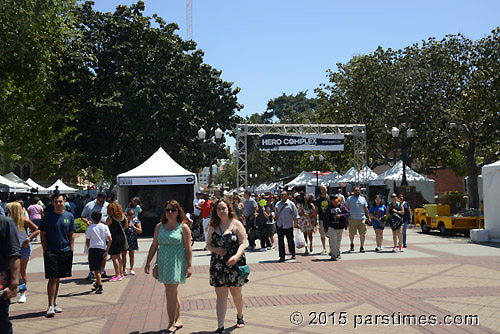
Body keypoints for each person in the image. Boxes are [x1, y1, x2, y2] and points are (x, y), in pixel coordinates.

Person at [145, 200, 192, 333]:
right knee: (172, 292)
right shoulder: (159, 226)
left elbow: (188, 248)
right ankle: (178, 319)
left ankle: (171, 323)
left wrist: (189, 266)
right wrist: (148, 261)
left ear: (178, 212)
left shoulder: (183, 227)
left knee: (170, 293)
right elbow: (154, 244)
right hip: (163, 261)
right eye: (167, 210)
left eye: (173, 210)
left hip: (177, 262)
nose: (170, 213)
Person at [206, 199, 247, 333]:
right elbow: (209, 245)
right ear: (215, 211)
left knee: (236, 294)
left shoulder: (236, 224)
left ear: (229, 209)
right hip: (218, 265)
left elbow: (243, 242)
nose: (221, 211)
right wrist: (216, 250)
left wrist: (236, 256)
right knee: (221, 296)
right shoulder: (213, 226)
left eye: (223, 208)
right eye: (219, 209)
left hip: (234, 264)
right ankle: (220, 326)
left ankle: (240, 315)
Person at [39, 194, 75, 317]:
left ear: (64, 202)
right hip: (51, 251)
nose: (58, 204)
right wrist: (45, 250)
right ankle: (49, 305)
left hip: (65, 251)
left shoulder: (69, 216)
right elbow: (42, 234)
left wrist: (71, 248)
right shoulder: (47, 217)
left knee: (58, 277)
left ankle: (54, 303)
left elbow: (71, 233)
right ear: (53, 202)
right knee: (52, 278)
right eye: (56, 202)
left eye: (60, 201)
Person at [6, 202, 39, 303]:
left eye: (9, 210)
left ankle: (22, 293)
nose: (7, 212)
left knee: (22, 271)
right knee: (10, 271)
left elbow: (37, 230)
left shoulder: (24, 220)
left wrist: (28, 240)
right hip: (11, 248)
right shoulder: (7, 220)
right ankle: (11, 291)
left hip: (23, 248)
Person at [81, 192, 109, 280]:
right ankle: (91, 270)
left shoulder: (107, 206)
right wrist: (86, 222)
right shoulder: (89, 205)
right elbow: (83, 216)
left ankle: (102, 269)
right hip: (92, 231)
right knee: (91, 252)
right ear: (97, 198)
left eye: (103, 202)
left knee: (103, 252)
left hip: (104, 231)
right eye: (100, 201)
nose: (102, 203)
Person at [0, 214, 21, 334]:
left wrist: (14, 284)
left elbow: (14, 254)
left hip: (2, 278)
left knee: (2, 320)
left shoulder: (5, 223)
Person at [85, 211, 112, 294]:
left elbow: (87, 240)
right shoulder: (104, 227)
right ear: (101, 217)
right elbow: (110, 239)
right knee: (100, 267)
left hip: (93, 249)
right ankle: (97, 282)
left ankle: (100, 285)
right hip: (102, 248)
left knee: (95, 269)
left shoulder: (90, 228)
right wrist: (107, 250)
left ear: (92, 218)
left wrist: (89, 247)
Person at [275, 191, 299, 262]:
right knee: (280, 241)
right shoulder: (277, 204)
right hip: (280, 225)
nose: (282, 196)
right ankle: (282, 256)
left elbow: (295, 214)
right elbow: (276, 213)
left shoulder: (291, 204)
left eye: (284, 195)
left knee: (290, 240)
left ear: (287, 196)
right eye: (281, 195)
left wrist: (297, 223)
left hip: (288, 225)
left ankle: (292, 253)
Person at [106, 201, 127, 281]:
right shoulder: (123, 216)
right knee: (119, 256)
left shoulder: (110, 218)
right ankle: (121, 273)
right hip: (122, 238)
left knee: (114, 257)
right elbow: (126, 226)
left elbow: (106, 229)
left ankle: (117, 274)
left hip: (113, 238)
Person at [323, 195, 350, 260]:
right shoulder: (329, 208)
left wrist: (341, 215)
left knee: (338, 240)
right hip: (332, 226)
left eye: (337, 199)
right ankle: (333, 255)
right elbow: (325, 218)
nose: (336, 201)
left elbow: (348, 213)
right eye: (334, 199)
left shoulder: (342, 206)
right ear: (331, 201)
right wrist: (325, 227)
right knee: (333, 240)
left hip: (340, 227)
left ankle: (338, 253)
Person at [344, 186, 370, 253]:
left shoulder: (363, 199)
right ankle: (352, 243)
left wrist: (368, 217)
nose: (357, 191)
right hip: (352, 219)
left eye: (358, 190)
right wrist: (346, 217)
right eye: (356, 190)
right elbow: (346, 208)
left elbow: (366, 208)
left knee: (362, 233)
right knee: (352, 234)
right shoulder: (350, 199)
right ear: (353, 191)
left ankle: (362, 247)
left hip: (362, 218)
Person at [122, 208, 142, 275]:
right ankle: (124, 269)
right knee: (124, 254)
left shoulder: (136, 221)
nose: (130, 215)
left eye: (132, 214)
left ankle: (131, 269)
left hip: (133, 239)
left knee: (131, 255)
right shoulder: (125, 221)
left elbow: (140, 231)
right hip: (125, 240)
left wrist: (134, 227)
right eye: (129, 214)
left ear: (134, 214)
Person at [314, 185, 330, 254]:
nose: (323, 190)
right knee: (322, 234)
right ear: (320, 190)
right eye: (322, 189)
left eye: (324, 189)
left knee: (330, 234)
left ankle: (331, 248)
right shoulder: (318, 200)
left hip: (330, 219)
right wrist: (315, 219)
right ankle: (324, 248)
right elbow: (316, 210)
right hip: (321, 219)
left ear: (327, 190)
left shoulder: (330, 198)